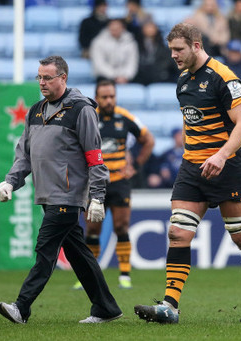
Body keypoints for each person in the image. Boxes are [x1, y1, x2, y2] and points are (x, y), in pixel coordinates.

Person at [134, 23, 241, 324]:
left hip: (229, 166)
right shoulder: (183, 80)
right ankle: (170, 306)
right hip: (193, 168)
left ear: (196, 45)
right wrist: (198, 157)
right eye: (171, 49)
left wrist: (221, 155)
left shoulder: (224, 78)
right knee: (178, 232)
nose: (173, 55)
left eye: (179, 49)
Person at [0, 55, 122, 324]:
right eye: (39, 77)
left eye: (47, 77)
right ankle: (106, 308)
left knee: (45, 250)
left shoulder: (81, 110)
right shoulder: (35, 111)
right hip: (47, 194)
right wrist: (10, 181)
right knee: (79, 255)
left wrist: (97, 196)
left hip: (68, 195)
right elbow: (25, 155)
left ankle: (22, 307)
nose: (41, 82)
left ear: (63, 78)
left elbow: (95, 157)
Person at [72, 79, 154, 290]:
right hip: (94, 182)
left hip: (119, 181)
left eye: (112, 96)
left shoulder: (125, 117)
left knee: (121, 226)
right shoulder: (87, 117)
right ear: (97, 97)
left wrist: (134, 165)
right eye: (104, 97)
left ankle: (125, 274)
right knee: (92, 229)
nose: (109, 101)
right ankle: (89, 276)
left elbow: (148, 140)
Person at [90, 18, 139, 84]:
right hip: (105, 77)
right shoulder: (98, 42)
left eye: (117, 28)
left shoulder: (130, 41)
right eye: (113, 29)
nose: (115, 31)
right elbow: (99, 64)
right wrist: (114, 76)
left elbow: (132, 62)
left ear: (123, 28)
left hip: (126, 78)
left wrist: (126, 76)